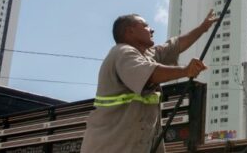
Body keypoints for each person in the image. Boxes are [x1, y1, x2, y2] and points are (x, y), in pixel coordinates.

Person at [81, 10, 217, 153]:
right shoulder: (122, 53)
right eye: (145, 26)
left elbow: (175, 46)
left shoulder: (147, 55)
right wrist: (185, 71)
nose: (151, 29)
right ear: (130, 31)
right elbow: (151, 74)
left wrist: (203, 28)